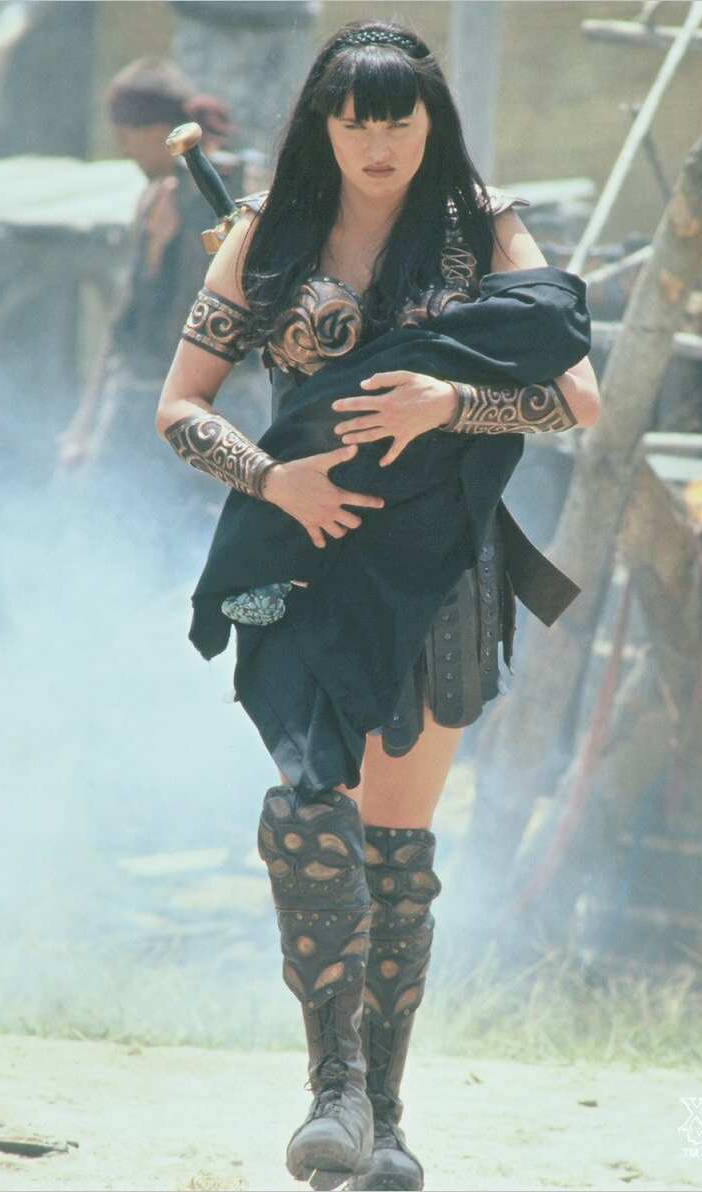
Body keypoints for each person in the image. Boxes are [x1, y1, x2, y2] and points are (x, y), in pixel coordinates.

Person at [156, 22, 599, 1191]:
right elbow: (181, 405)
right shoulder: (266, 234)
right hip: (306, 555)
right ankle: (334, 1094)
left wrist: (450, 403)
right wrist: (273, 479)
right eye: (355, 118)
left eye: (398, 117)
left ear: (429, 121)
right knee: (310, 817)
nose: (377, 140)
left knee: (396, 845)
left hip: (444, 562)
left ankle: (387, 1120)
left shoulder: (485, 227)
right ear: (323, 123)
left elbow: (577, 396)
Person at [60, 58, 266, 550]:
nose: (124, 149)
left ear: (157, 131)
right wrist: (84, 426)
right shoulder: (160, 197)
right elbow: (126, 327)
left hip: (217, 407)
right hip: (156, 403)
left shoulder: (225, 198)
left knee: (208, 546)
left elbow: (198, 323)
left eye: (127, 135)